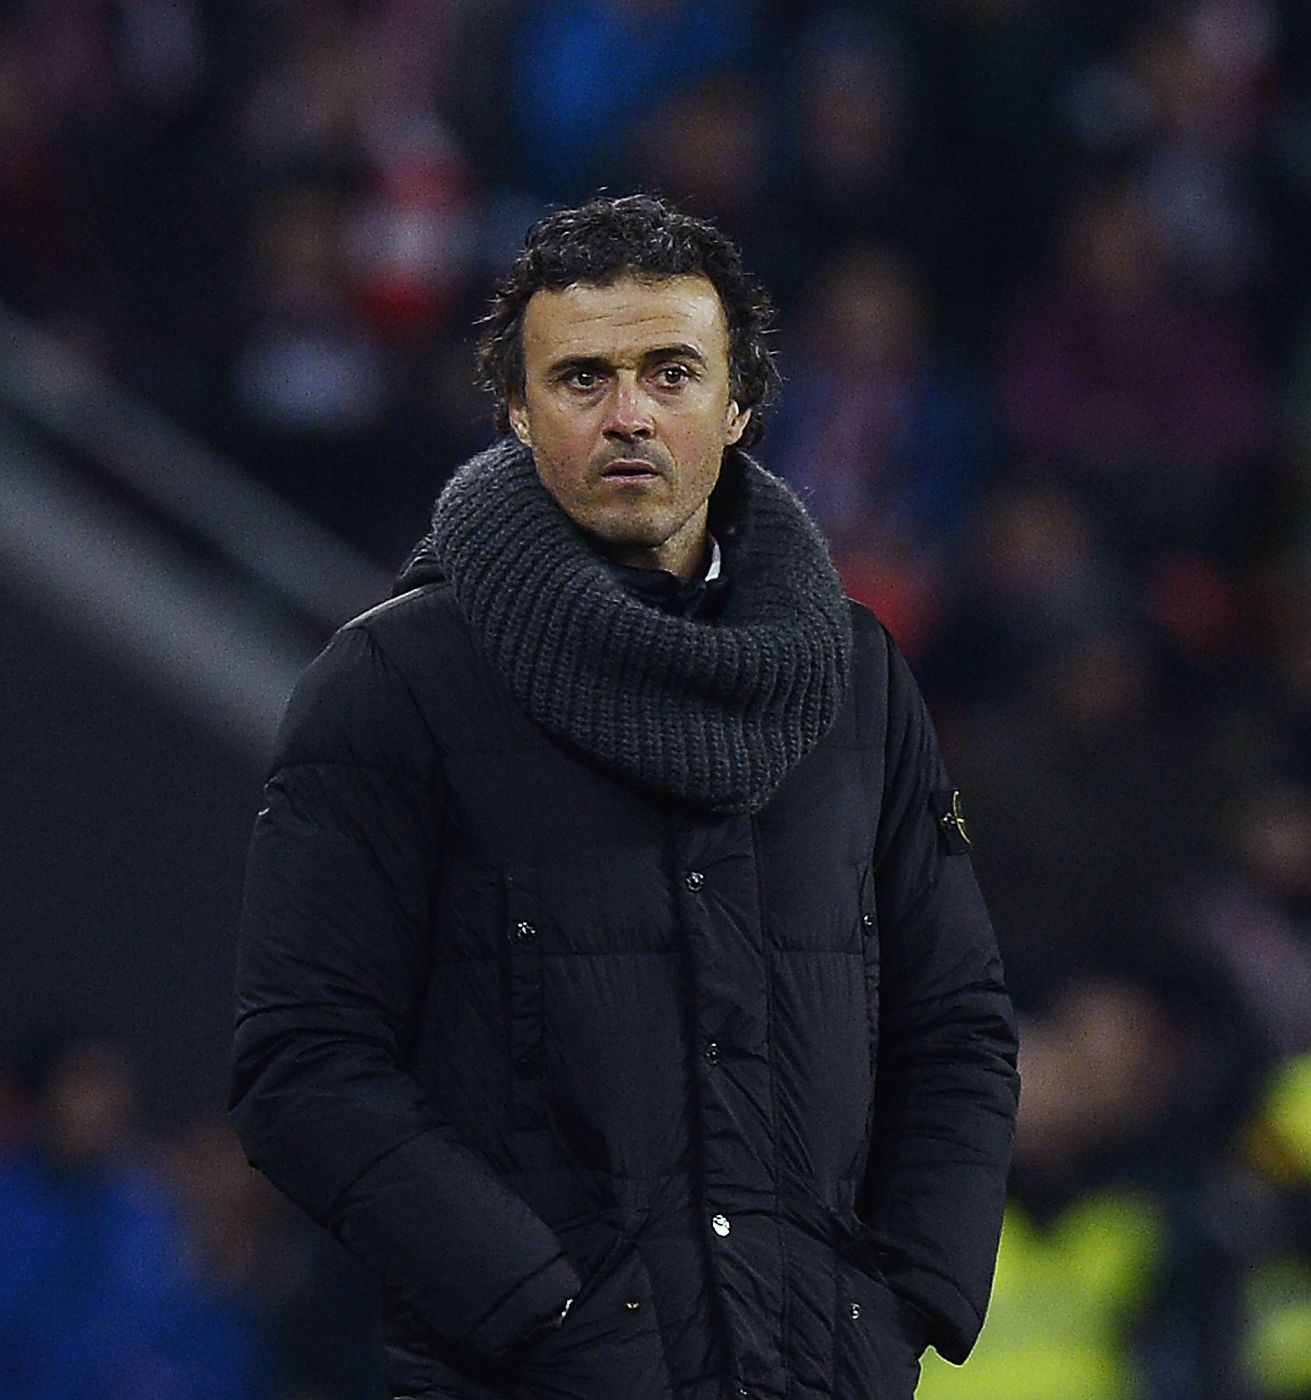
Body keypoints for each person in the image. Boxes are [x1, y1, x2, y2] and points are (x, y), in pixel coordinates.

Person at [229, 194, 1020, 1400]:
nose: (629, 415)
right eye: (582, 378)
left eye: (670, 371)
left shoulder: (856, 678)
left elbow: (956, 1022)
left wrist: (900, 1300)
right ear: (514, 408)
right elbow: (305, 1065)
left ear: (741, 403)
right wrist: (545, 1310)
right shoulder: (393, 685)